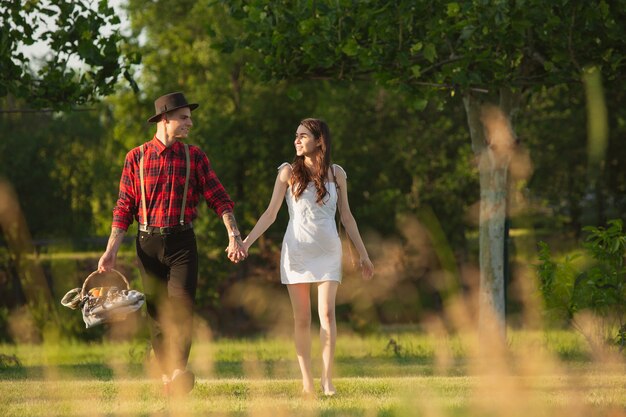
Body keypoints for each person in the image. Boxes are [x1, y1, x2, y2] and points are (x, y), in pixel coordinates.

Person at [98, 92, 247, 396]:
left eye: (190, 118)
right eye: (184, 117)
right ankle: (168, 376)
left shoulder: (195, 156)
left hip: (182, 242)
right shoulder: (135, 158)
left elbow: (218, 197)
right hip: (147, 242)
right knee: (156, 314)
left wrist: (233, 234)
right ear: (165, 119)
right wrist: (111, 250)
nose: (190, 123)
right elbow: (124, 207)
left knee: (181, 307)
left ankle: (179, 370)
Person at [236, 118, 374, 396]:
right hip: (297, 253)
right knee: (301, 319)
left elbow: (347, 217)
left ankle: (327, 380)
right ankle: (307, 382)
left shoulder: (337, 173)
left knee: (327, 314)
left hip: (328, 252)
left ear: (320, 140)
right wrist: (246, 242)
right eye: (295, 136)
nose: (296, 141)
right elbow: (270, 213)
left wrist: (364, 255)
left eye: (302, 136)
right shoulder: (287, 172)